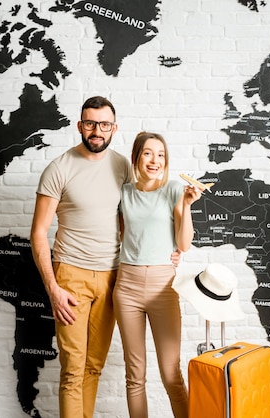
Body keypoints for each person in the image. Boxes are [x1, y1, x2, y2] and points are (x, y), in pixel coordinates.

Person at [30, 96, 132, 418]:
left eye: (104, 124)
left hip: (111, 277)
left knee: (93, 367)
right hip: (70, 275)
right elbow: (38, 232)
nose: (97, 131)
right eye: (90, 123)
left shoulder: (123, 167)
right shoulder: (58, 168)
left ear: (114, 128)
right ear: (80, 126)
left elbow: (130, 223)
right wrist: (53, 287)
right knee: (73, 370)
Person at [113, 131, 203, 418]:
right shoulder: (124, 193)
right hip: (126, 286)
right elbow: (124, 236)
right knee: (135, 375)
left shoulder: (175, 190)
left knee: (171, 374)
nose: (155, 160)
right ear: (136, 157)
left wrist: (187, 206)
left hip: (163, 288)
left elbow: (184, 244)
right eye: (149, 153)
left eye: (161, 154)